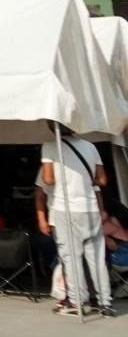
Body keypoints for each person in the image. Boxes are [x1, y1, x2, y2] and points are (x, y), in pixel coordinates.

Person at [38, 132, 112, 316]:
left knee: (71, 256)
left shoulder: (49, 146)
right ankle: (104, 302)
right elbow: (102, 180)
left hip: (65, 208)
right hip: (90, 207)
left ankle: (76, 301)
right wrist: (83, 180)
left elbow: (48, 179)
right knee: (96, 257)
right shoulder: (90, 146)